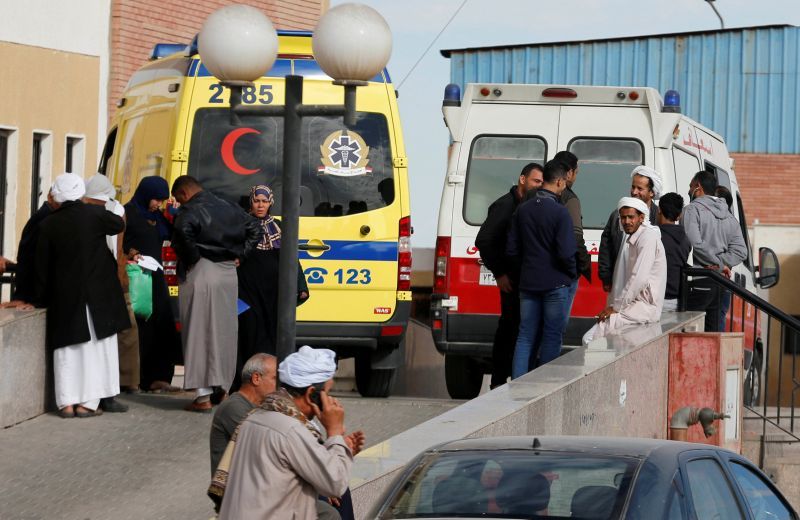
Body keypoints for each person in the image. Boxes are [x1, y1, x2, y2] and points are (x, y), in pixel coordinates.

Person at [216, 346, 364, 520]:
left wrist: (339, 446)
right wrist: (335, 432)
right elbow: (335, 483)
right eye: (328, 392)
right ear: (311, 394)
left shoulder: (257, 416)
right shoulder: (290, 429)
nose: (333, 401)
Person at [34, 173, 130, 418]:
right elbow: (117, 222)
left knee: (67, 351)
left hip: (65, 296)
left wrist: (36, 297)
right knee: (97, 349)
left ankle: (66, 403)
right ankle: (88, 403)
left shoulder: (48, 223)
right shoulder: (94, 215)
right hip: (98, 294)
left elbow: (41, 266)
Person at [171, 176, 262, 413]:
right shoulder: (229, 205)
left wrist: (191, 258)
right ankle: (221, 390)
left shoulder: (190, 210)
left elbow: (182, 230)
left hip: (202, 270)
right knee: (224, 331)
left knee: (198, 332)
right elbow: (255, 227)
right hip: (228, 273)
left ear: (183, 194)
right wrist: (241, 254)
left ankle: (202, 397)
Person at [231, 185, 309, 393]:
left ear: (270, 203)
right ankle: (245, 386)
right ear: (251, 202)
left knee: (272, 336)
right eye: (257, 201)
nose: (260, 205)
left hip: (274, 294)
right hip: (248, 292)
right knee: (249, 334)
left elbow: (292, 258)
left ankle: (272, 386)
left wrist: (301, 285)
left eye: (264, 201)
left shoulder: (279, 226)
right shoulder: (241, 225)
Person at [475, 163, 543, 389]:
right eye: (536, 181)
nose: (539, 186)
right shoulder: (505, 206)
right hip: (511, 282)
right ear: (522, 179)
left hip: (525, 281)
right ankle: (498, 382)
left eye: (542, 183)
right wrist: (500, 273)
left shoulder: (528, 205)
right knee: (508, 331)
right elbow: (484, 241)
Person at [506, 160, 576, 379]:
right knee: (552, 336)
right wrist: (571, 272)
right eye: (564, 181)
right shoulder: (560, 212)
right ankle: (543, 386)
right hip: (555, 283)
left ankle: (517, 385)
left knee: (525, 336)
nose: (565, 185)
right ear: (558, 181)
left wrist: (525, 269)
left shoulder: (523, 210)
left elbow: (511, 249)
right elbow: (566, 252)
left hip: (528, 282)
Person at [123, 176, 182, 394]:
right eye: (155, 199)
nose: (157, 203)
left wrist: (174, 216)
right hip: (138, 278)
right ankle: (138, 378)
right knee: (142, 327)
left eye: (161, 200)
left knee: (164, 324)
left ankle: (160, 377)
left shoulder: (157, 217)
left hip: (157, 278)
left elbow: (172, 234)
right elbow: (121, 243)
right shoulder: (128, 213)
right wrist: (132, 252)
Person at [583, 197, 667, 344]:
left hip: (644, 308)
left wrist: (616, 307)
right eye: (623, 217)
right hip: (635, 306)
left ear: (641, 218)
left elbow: (638, 278)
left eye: (631, 217)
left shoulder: (648, 237)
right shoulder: (637, 237)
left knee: (590, 339)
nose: (626, 221)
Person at [82, 174, 132, 412]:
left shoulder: (111, 212)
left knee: (106, 344)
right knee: (102, 344)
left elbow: (118, 246)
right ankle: (101, 396)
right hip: (101, 284)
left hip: (103, 283)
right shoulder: (106, 213)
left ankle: (106, 394)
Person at [682, 171, 747, 332]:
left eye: (691, 186)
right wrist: (723, 264)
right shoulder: (730, 217)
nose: (689, 191)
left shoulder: (692, 210)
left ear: (698, 187)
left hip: (700, 281)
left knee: (690, 335)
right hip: (723, 284)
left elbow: (695, 243)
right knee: (714, 339)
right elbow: (741, 251)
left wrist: (717, 264)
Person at [210, 353, 277, 476]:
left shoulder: (263, 406)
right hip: (236, 491)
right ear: (256, 378)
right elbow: (268, 447)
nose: (279, 386)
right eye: (275, 379)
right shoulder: (233, 407)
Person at [599, 165, 662, 294]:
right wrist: (605, 276)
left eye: (640, 188)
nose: (634, 192)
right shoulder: (617, 214)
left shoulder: (659, 217)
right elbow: (607, 243)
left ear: (652, 192)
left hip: (645, 286)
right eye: (633, 187)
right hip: (618, 281)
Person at [554, 151, 591, 339]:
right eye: (576, 172)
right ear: (569, 174)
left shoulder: (534, 194)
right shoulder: (570, 199)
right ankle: (547, 369)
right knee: (555, 331)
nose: (576, 177)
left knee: (528, 333)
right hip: (564, 272)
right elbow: (576, 238)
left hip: (535, 270)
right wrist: (584, 266)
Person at [12, 199, 53, 305]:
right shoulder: (45, 216)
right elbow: (27, 255)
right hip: (35, 295)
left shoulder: (48, 215)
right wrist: (22, 295)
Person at [657, 193, 691, 312]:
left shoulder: (654, 236)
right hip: (676, 301)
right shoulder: (685, 240)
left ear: (659, 210)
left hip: (655, 299)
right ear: (679, 216)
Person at [715, 185, 735, 330]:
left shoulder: (724, 223)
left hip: (718, 280)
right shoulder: (732, 222)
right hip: (722, 281)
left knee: (715, 323)